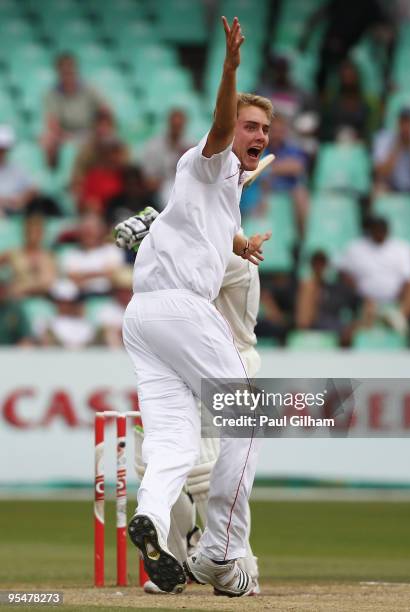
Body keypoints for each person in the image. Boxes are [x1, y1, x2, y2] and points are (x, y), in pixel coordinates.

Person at [122, 16, 272, 597]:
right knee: (248, 417)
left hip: (142, 320)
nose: (258, 135)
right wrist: (231, 69)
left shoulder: (222, 187)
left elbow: (209, 222)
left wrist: (241, 244)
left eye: (264, 128)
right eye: (250, 125)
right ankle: (218, 555)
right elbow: (217, 130)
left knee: (173, 446)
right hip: (183, 309)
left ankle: (154, 522)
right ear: (233, 127)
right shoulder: (206, 160)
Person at [115, 207, 262, 594]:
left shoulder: (239, 264)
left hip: (226, 357)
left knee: (201, 472)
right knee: (157, 458)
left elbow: (203, 253)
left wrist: (155, 226)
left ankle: (237, 564)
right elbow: (194, 236)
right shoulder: (208, 236)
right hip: (185, 349)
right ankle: (174, 563)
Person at [337, 217, 410, 332]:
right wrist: (360, 294)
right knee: (367, 307)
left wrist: (398, 297)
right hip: (363, 299)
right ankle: (375, 323)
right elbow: (343, 273)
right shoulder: (355, 247)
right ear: (370, 230)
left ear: (388, 231)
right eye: (376, 230)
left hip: (396, 299)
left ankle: (398, 318)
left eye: (382, 230)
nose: (379, 233)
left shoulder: (402, 248)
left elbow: (409, 279)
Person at [41, 53, 109, 166]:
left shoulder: (90, 88)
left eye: (70, 70)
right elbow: (52, 123)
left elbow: (105, 111)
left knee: (108, 137)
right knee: (48, 140)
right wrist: (68, 136)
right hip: (64, 133)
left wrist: (100, 128)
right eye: (64, 71)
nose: (68, 74)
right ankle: (53, 176)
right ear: (58, 72)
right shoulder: (51, 94)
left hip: (90, 130)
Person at [59, 212, 124, 297]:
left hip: (108, 297)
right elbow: (73, 278)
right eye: (85, 230)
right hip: (79, 298)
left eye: (92, 229)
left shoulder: (112, 249)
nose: (89, 233)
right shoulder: (70, 253)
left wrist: (83, 275)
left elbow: (114, 275)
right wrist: (101, 273)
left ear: (101, 231)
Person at [139, 108, 192, 210]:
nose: (177, 128)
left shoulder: (190, 146)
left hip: (185, 187)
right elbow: (149, 180)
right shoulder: (153, 146)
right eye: (174, 125)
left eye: (179, 125)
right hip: (162, 188)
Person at [0, 214, 56, 299]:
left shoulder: (49, 256)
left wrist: (28, 289)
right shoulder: (13, 253)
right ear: (25, 232)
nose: (33, 236)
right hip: (16, 299)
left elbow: (50, 282)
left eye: (37, 232)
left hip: (42, 298)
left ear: (42, 234)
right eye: (30, 231)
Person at [0, 125, 35, 216]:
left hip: (14, 214)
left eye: (3, 149)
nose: (1, 152)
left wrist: (22, 199)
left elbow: (33, 188)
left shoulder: (16, 168)